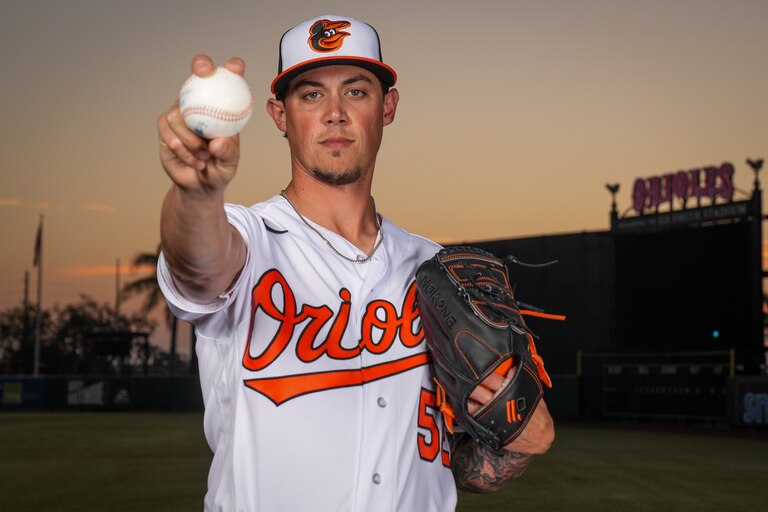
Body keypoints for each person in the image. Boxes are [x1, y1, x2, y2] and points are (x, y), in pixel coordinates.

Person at [156, 14, 554, 512]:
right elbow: (198, 265)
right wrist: (196, 195)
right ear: (280, 115)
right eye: (311, 94)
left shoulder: (435, 270)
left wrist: (516, 443)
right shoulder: (248, 240)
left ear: (387, 107)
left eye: (356, 91)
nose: (335, 113)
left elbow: (452, 466)